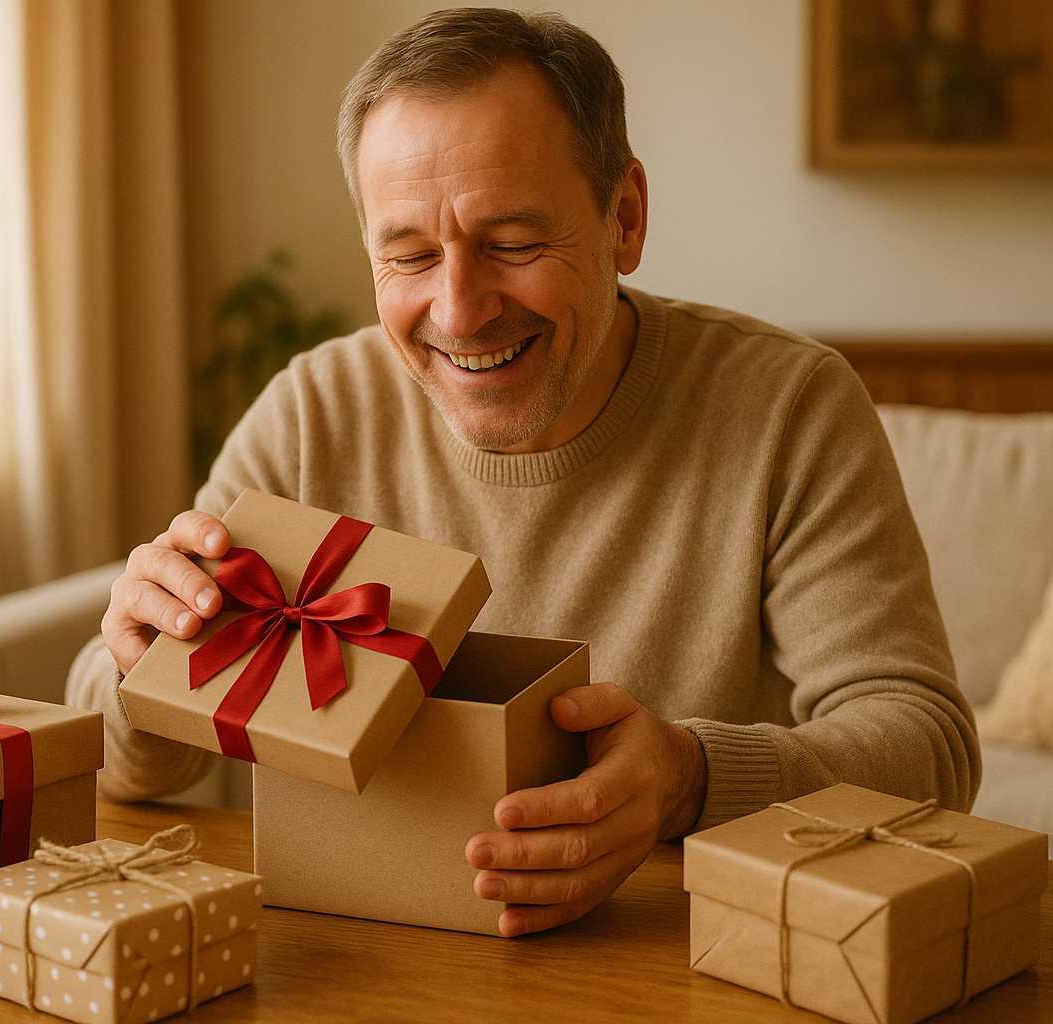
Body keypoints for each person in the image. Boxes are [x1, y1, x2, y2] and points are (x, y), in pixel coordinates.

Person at [68, 8, 978, 938]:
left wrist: (690, 781)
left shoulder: (790, 407)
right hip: (351, 954)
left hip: (678, 953)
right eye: (410, 254)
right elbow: (122, 767)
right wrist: (143, 674)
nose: (458, 312)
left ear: (623, 219)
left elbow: (928, 746)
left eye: (511, 243)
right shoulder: (314, 413)